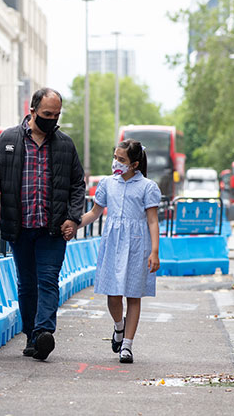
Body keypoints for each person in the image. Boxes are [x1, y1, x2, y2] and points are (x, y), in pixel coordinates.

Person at [0, 87, 85, 361]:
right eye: (47, 114)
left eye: (57, 114)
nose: (52, 119)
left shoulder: (64, 144)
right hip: (20, 227)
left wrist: (73, 218)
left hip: (52, 229)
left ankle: (43, 333)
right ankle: (31, 335)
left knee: (48, 279)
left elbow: (77, 185)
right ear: (33, 110)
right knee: (27, 283)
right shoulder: (8, 140)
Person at [77, 139, 161, 364]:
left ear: (134, 164)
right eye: (115, 157)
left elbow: (152, 221)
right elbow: (94, 212)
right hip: (113, 243)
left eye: (121, 159)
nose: (116, 162)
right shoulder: (107, 183)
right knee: (113, 294)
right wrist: (74, 225)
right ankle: (119, 326)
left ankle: (127, 346)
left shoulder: (148, 187)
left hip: (137, 245)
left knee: (134, 295)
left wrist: (154, 251)